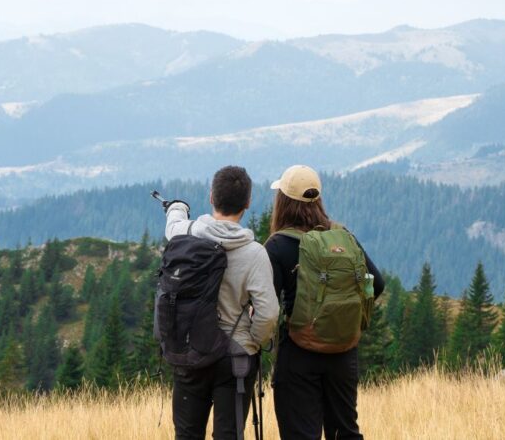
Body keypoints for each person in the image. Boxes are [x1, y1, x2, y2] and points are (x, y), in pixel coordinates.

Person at [264, 165, 386, 440]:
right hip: (343, 353)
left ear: (282, 202)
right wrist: (349, 317)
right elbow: (376, 283)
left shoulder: (278, 245)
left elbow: (266, 306)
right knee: (346, 432)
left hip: (298, 354)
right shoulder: (343, 238)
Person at [164, 165, 280, 440]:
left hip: (189, 350)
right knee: (229, 435)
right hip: (235, 357)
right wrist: (252, 341)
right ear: (248, 203)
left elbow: (172, 225)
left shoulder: (186, 234)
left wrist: (176, 207)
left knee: (187, 435)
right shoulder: (254, 253)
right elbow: (268, 313)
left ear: (211, 197)